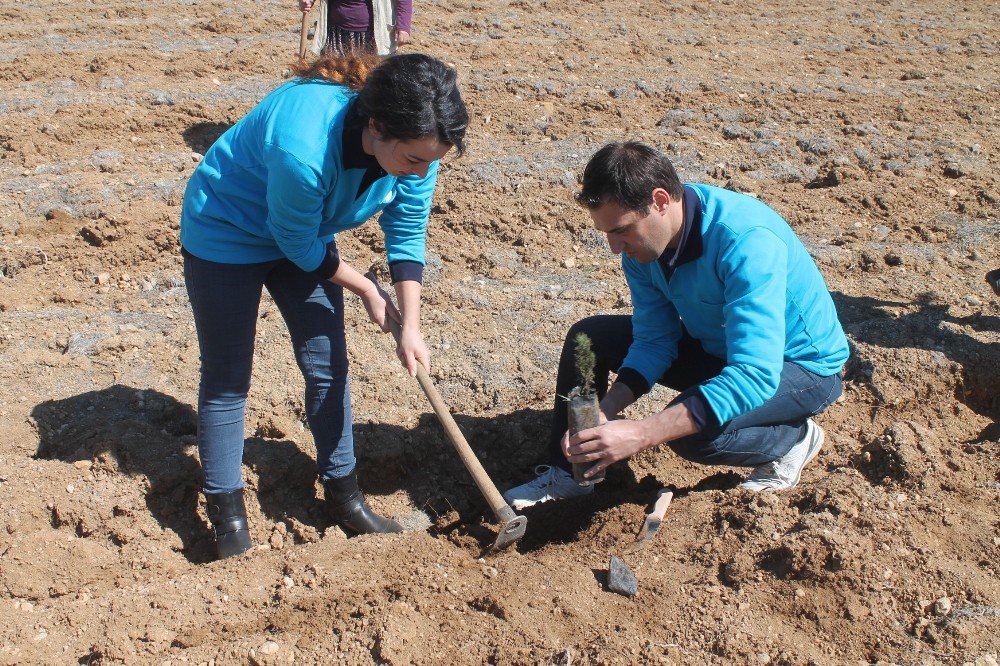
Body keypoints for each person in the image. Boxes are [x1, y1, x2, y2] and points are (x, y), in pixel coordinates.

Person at [180, 53, 468, 559]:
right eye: (415, 161)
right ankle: (228, 521)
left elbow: (407, 229)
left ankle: (345, 496)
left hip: (305, 234)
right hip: (227, 231)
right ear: (377, 128)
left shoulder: (421, 146)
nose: (424, 170)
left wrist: (411, 325)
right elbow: (296, 244)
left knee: (328, 365)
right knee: (228, 379)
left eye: (433, 160)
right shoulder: (304, 147)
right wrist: (366, 288)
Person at [503, 142, 850, 509]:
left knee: (691, 435)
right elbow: (655, 339)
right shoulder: (646, 247)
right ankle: (573, 474)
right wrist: (607, 409)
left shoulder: (746, 242)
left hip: (799, 368)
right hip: (720, 350)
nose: (614, 248)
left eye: (620, 231)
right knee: (588, 339)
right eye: (606, 233)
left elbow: (754, 374)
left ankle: (791, 440)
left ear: (660, 200)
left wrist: (642, 433)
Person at [299, 0, 412, 57]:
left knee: (372, 85)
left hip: (374, 36)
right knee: (334, 81)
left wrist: (403, 26)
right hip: (335, 34)